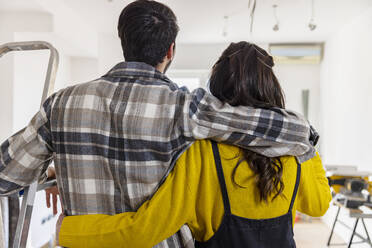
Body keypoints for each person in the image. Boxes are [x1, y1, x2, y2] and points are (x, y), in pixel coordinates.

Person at [0, 0, 317, 247]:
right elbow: (292, 131)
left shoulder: (61, 104)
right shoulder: (185, 108)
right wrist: (308, 135)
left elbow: (5, 176)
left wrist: (54, 167)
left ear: (123, 42)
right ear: (170, 51)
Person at [56, 42, 331, 248]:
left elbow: (143, 230)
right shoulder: (295, 149)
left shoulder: (201, 153)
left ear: (218, 91)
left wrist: (67, 230)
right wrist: (309, 148)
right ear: (272, 89)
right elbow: (318, 205)